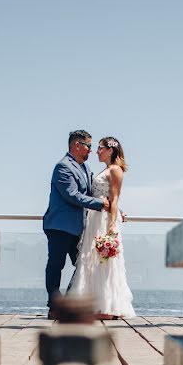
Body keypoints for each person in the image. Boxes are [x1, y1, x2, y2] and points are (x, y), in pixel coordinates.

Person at [43, 130, 110, 318]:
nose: (91, 150)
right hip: (59, 226)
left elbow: (94, 194)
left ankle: (74, 303)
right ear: (77, 145)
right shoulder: (63, 167)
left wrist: (115, 209)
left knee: (85, 265)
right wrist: (101, 204)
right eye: (89, 146)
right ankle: (55, 307)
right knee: (56, 265)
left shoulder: (86, 169)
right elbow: (72, 195)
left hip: (80, 229)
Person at [68, 136, 136, 319]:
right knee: (91, 260)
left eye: (100, 148)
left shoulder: (115, 170)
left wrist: (113, 225)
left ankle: (106, 307)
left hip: (104, 221)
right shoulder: (105, 170)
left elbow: (114, 199)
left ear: (110, 150)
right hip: (93, 218)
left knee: (104, 261)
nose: (96, 151)